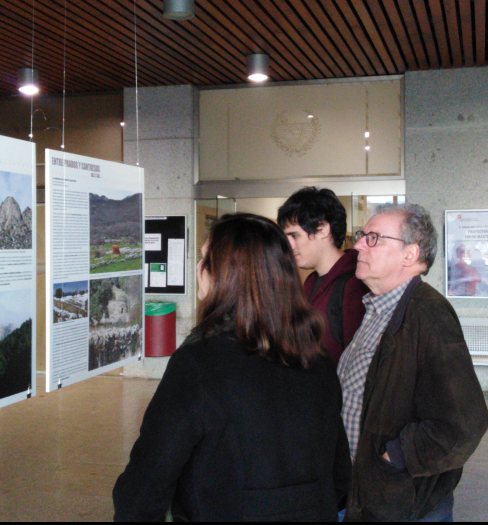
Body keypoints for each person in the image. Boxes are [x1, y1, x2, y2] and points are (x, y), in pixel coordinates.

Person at [112, 213, 351, 521]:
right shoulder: (316, 360)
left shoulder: (199, 364)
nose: (198, 269)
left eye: (205, 260)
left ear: (225, 275)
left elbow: (145, 487)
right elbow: (340, 478)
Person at [339, 203, 488, 522]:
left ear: (410, 254)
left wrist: (396, 456)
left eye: (373, 238)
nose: (358, 245)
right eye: (361, 235)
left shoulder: (427, 316)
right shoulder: (378, 309)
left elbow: (464, 423)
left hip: (406, 506)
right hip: (370, 498)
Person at [278, 187, 370, 360]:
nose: (289, 245)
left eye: (294, 235)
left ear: (323, 229)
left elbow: (357, 361)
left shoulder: (354, 285)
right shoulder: (311, 283)